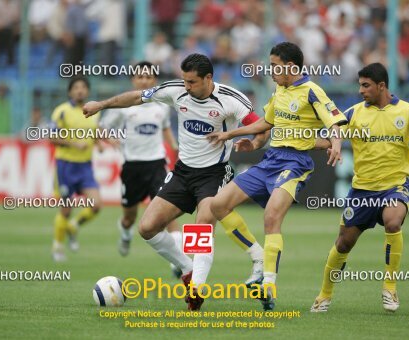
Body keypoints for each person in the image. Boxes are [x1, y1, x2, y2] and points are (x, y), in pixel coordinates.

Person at [82, 53, 262, 310]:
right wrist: (101, 104)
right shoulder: (176, 90)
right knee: (147, 227)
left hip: (214, 173)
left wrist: (254, 142)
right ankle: (188, 269)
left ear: (208, 78)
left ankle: (197, 291)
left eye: (191, 82)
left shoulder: (231, 100)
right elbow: (136, 97)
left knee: (202, 225)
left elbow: (261, 127)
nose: (186, 87)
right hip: (182, 172)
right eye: (184, 81)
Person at [206, 42, 347, 311]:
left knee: (271, 216)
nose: (271, 71)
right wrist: (234, 135)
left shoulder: (312, 91)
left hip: (295, 163)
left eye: (275, 66)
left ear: (291, 67)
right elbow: (266, 123)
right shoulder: (280, 89)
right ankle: (258, 257)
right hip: (270, 160)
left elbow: (334, 121)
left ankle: (269, 284)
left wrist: (336, 143)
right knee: (218, 204)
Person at [310, 63, 409, 313]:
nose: (360, 90)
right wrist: (310, 142)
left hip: (394, 186)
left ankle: (389, 288)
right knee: (344, 243)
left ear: (382, 86)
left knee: (393, 222)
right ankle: (324, 296)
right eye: (359, 85)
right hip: (362, 191)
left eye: (365, 85)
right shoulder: (353, 113)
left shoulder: (408, 112)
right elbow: (332, 135)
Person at [100, 61, 183, 277]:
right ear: (133, 80)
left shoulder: (162, 105)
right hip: (133, 167)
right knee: (129, 217)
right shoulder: (124, 107)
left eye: (148, 77)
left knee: (168, 214)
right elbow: (103, 129)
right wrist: (112, 140)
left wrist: (174, 146)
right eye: (140, 77)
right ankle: (126, 235)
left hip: (157, 165)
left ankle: (178, 261)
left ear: (154, 80)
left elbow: (165, 128)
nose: (144, 80)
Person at [49, 77, 102, 262]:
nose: (80, 91)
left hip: (85, 167)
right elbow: (52, 137)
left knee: (95, 205)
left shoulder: (94, 111)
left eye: (83, 87)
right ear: (70, 91)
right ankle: (57, 246)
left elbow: (94, 131)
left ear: (87, 91)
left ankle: (73, 226)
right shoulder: (62, 112)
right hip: (66, 166)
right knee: (66, 208)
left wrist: (99, 143)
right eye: (76, 88)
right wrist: (73, 143)